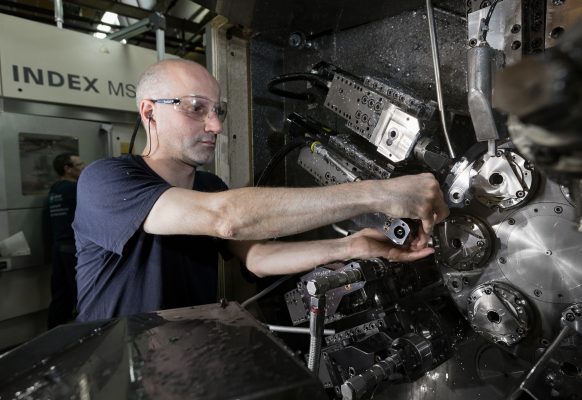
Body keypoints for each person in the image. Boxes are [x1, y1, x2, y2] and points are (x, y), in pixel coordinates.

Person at [73, 59, 449, 322]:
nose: (215, 125)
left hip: (185, 358)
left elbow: (257, 257)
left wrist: (350, 247)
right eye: (195, 108)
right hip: (121, 364)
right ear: (149, 112)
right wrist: (377, 193)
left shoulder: (208, 187)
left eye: (218, 110)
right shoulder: (107, 179)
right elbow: (225, 219)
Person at [47, 152, 85, 328]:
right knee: (81, 295)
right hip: (73, 249)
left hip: (58, 248)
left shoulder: (54, 190)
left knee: (61, 295)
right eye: (79, 165)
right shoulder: (74, 189)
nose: (83, 168)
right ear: (67, 169)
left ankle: (52, 337)